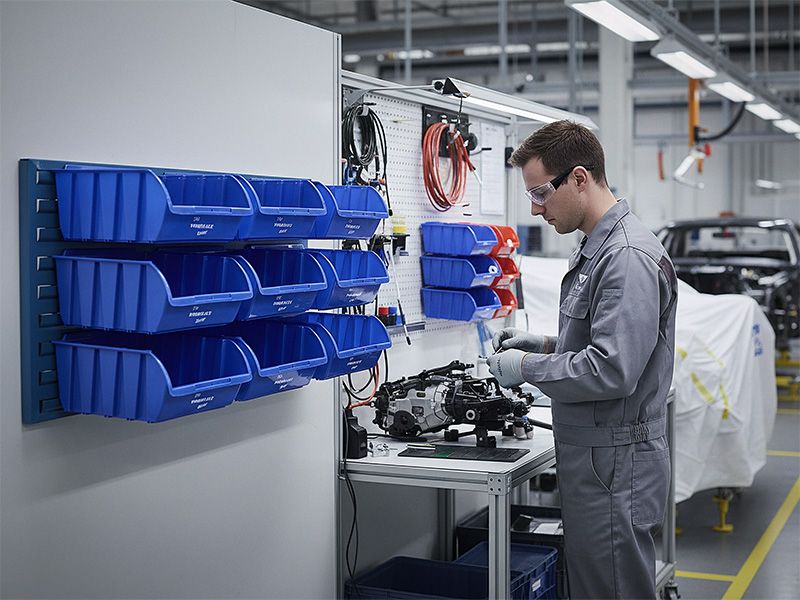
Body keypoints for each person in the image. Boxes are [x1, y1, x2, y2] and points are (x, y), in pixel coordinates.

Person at [487, 120, 678, 600]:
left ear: (578, 178)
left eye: (540, 193)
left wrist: (525, 369)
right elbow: (602, 340)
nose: (536, 209)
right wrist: (544, 346)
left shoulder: (625, 256)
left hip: (615, 467)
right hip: (598, 462)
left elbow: (612, 369)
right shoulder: (599, 250)